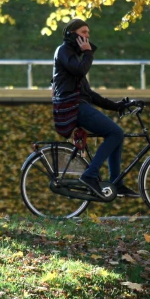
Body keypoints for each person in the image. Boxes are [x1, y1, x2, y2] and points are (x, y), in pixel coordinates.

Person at [51, 18, 139, 199]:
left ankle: (116, 183)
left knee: (116, 135)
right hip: (73, 107)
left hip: (78, 104)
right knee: (115, 133)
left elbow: (89, 94)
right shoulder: (64, 51)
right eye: (84, 33)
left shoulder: (74, 56)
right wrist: (88, 53)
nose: (88, 36)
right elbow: (80, 70)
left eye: (88, 33)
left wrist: (117, 106)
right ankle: (90, 176)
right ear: (72, 34)